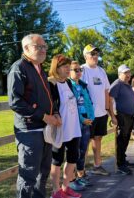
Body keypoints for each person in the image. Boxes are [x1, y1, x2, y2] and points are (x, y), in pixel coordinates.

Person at [8, 34, 61, 198]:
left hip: (45, 131)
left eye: (45, 47)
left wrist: (56, 113)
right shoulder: (19, 68)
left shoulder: (39, 69)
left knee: (43, 172)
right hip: (29, 131)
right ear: (26, 48)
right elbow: (15, 101)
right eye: (39, 47)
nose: (44, 50)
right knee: (28, 175)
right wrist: (44, 116)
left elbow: (49, 97)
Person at [48, 55, 82, 198]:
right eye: (65, 66)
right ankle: (56, 191)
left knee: (73, 157)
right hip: (60, 129)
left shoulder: (68, 82)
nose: (68, 69)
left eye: (69, 66)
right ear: (57, 67)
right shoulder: (51, 83)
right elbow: (50, 105)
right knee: (57, 160)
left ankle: (65, 187)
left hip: (73, 127)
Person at [81, 44, 112, 176]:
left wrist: (108, 110)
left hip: (101, 113)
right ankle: (81, 170)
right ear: (85, 56)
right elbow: (79, 91)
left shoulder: (101, 71)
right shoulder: (81, 70)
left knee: (98, 138)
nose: (95, 56)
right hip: (88, 114)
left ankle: (97, 165)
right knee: (85, 141)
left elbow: (106, 91)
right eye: (92, 54)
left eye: (96, 54)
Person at [69, 61, 95, 188]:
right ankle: (73, 178)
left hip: (86, 120)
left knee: (83, 149)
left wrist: (91, 117)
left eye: (80, 70)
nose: (79, 72)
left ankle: (81, 174)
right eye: (75, 70)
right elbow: (70, 106)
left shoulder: (84, 85)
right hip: (75, 122)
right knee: (75, 151)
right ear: (69, 71)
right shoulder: (68, 85)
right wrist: (81, 119)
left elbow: (88, 102)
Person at [109, 64, 134, 175]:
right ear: (119, 74)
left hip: (129, 116)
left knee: (125, 139)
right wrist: (112, 116)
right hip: (122, 115)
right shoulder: (117, 84)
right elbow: (109, 100)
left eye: (129, 72)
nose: (128, 75)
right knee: (121, 140)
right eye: (125, 73)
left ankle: (123, 160)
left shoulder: (127, 84)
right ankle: (120, 164)